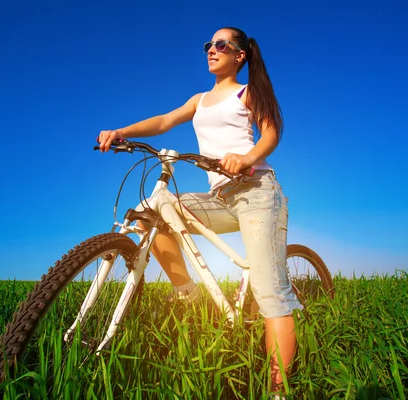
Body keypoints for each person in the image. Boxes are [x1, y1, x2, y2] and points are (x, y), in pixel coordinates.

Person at [98, 26, 302, 396]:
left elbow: (271, 134)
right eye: (209, 44)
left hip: (256, 192)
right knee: (152, 212)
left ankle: (279, 391)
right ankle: (188, 294)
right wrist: (121, 132)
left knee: (269, 290)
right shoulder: (199, 100)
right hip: (220, 197)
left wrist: (248, 157)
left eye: (222, 44)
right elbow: (163, 122)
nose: (212, 49)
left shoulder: (248, 92)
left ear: (240, 56)